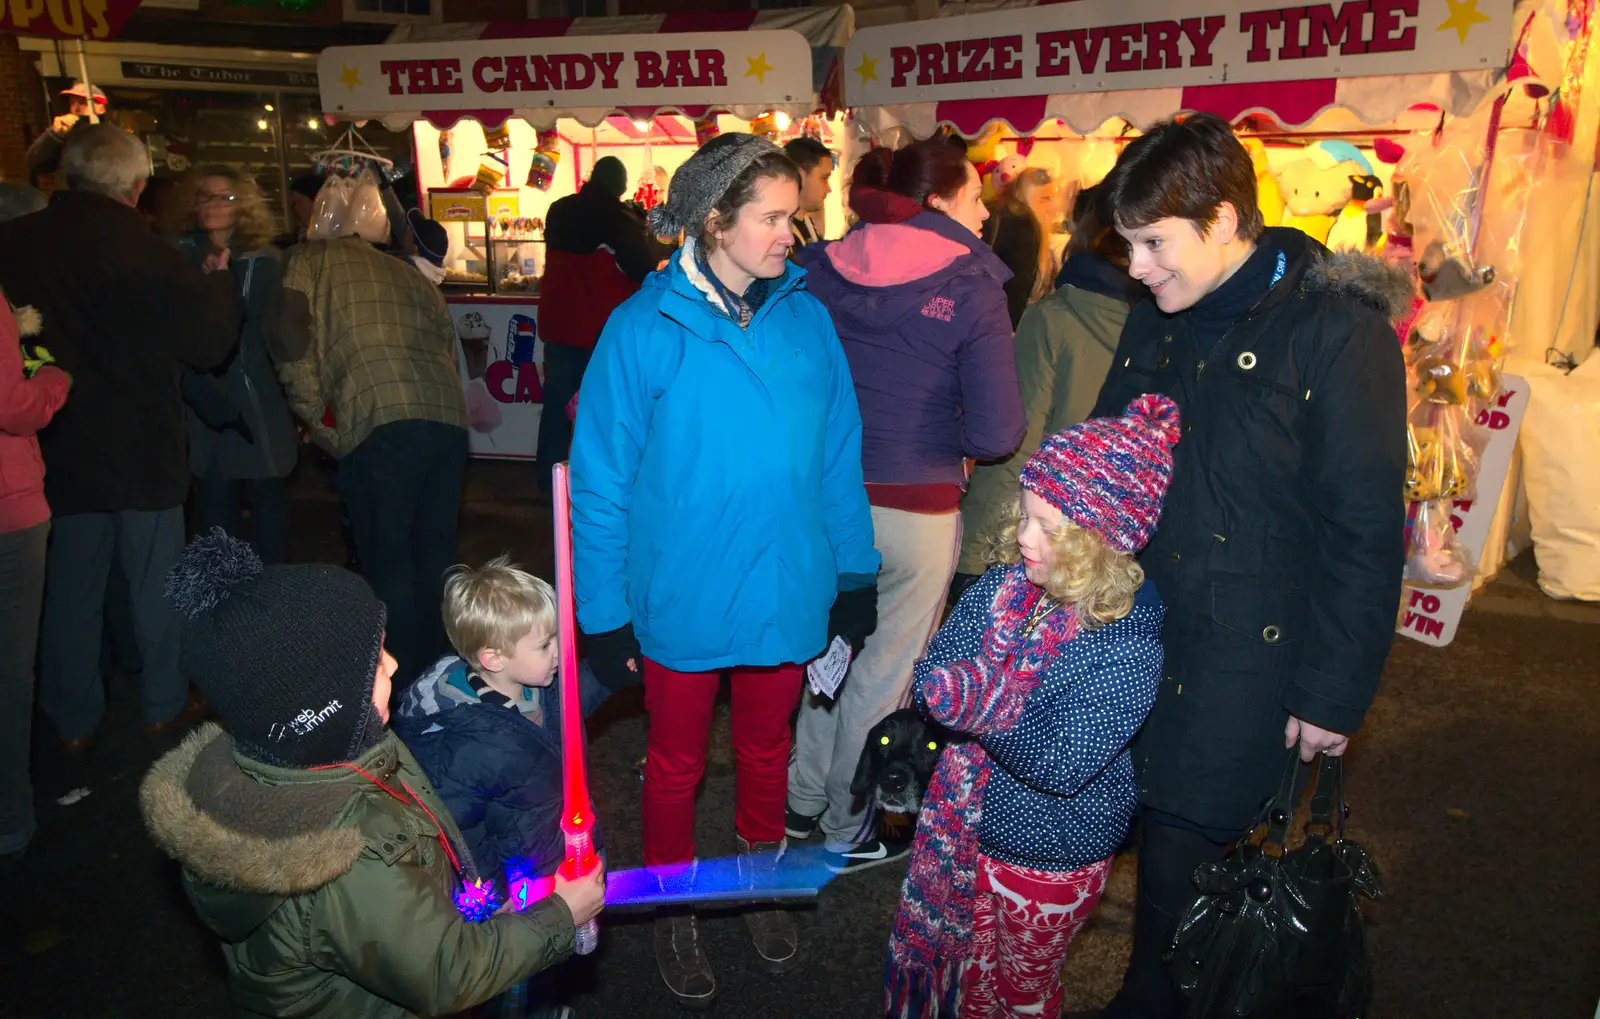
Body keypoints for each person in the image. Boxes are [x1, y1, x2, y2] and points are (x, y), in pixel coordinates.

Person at [1086, 114, 1409, 1019]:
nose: (1138, 267)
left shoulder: (1338, 333)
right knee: (1157, 870)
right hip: (1143, 638)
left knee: (1193, 880)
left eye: (1155, 244)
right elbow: (1108, 457)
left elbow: (1366, 525)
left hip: (1248, 662)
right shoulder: (1160, 319)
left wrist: (1336, 692)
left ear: (1225, 221)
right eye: (1130, 244)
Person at [569, 133, 880, 1007]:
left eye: (796, 215)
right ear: (714, 218)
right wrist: (604, 615)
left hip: (788, 584)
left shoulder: (807, 317)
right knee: (673, 763)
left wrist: (854, 576)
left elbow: (837, 458)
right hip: (681, 594)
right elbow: (599, 487)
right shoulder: (642, 328)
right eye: (774, 217)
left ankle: (757, 882)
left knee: (767, 751)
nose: (794, 233)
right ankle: (674, 906)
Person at [140, 530, 604, 1018]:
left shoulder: (328, 757)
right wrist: (560, 915)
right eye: (375, 661)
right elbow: (444, 971)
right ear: (326, 706)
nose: (396, 663)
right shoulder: (350, 854)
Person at [884, 395, 1177, 1019]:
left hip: (1050, 856)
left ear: (1103, 538)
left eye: (1049, 527)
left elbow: (1059, 761)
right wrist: (963, 690)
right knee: (968, 974)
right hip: (968, 829)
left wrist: (980, 701)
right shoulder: (1005, 586)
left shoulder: (1125, 641)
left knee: (1022, 990)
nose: (1023, 537)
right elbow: (942, 662)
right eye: (1024, 515)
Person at [788, 139, 1024, 873]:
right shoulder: (974, 284)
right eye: (975, 197)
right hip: (917, 505)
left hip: (826, 498)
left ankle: (800, 801)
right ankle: (844, 819)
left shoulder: (822, 265)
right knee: (884, 670)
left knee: (826, 653)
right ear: (940, 201)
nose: (985, 213)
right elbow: (998, 431)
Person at [0, 123, 236, 752]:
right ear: (135, 188)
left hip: (56, 447)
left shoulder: (15, 244)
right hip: (141, 445)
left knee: (70, 590)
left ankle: (72, 716)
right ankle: (162, 701)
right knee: (157, 582)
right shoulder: (149, 253)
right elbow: (209, 346)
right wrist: (217, 284)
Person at [275, 203, 469, 685]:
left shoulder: (306, 260)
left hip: (378, 416)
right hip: (445, 418)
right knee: (435, 558)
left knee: (389, 563)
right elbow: (447, 344)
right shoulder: (407, 273)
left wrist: (324, 428)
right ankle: (446, 679)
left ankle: (402, 690)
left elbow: (291, 346)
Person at [954, 183, 1136, 599]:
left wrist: (974, 555)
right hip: (1126, 541)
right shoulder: (1173, 324)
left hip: (1051, 542)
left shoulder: (1057, 318)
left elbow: (1016, 441)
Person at [178, 166, 297, 565]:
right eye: (206, 196)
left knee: (268, 500)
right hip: (201, 397)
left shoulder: (262, 261)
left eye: (225, 198)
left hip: (257, 394)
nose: (214, 206)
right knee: (214, 507)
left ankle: (271, 602)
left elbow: (263, 328)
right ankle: (221, 606)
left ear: (242, 205)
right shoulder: (178, 256)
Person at [537, 156, 672, 495]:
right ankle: (593, 486)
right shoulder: (618, 218)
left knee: (556, 409)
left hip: (558, 323)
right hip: (598, 329)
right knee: (599, 410)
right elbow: (641, 267)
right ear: (618, 183)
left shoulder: (559, 210)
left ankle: (548, 483)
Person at [0, 292, 71, 861]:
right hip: (8, 508)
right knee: (8, 673)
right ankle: (10, 819)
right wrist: (51, 377)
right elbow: (14, 406)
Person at [984, 167, 1058, 328]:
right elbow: (1016, 292)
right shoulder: (1024, 227)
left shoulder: (996, 214)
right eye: (1045, 199)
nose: (1053, 206)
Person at [26, 81, 107, 184]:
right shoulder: (66, 137)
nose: (76, 108)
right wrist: (55, 135)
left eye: (83, 102)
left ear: (101, 108)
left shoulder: (112, 137)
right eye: (72, 103)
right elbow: (34, 164)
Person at [784, 136, 833, 250]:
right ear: (799, 176)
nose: (829, 189)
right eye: (824, 178)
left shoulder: (808, 223)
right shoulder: (780, 237)